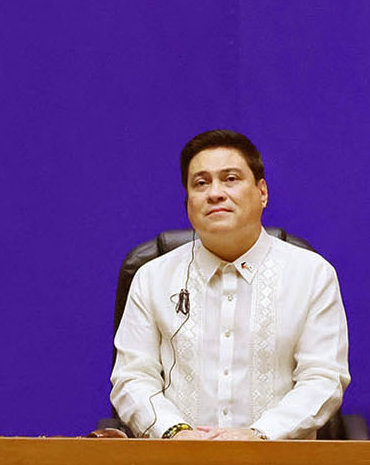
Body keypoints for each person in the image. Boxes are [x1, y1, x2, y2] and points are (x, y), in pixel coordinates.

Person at [109, 129, 352, 439]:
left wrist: (259, 435)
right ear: (188, 201)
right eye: (201, 183)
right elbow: (132, 378)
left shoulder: (312, 275)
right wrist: (175, 433)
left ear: (262, 192)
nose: (215, 193)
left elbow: (322, 379)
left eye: (230, 179)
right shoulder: (152, 278)